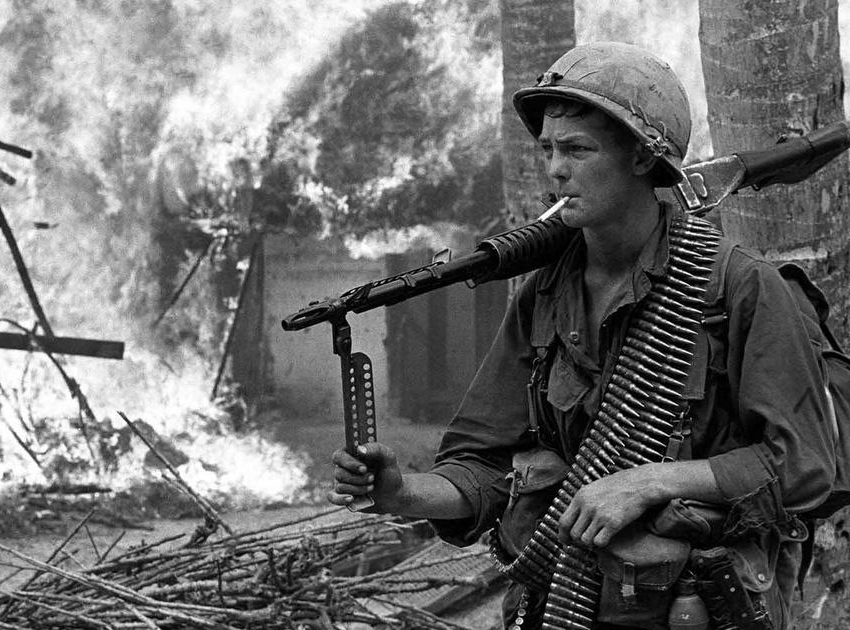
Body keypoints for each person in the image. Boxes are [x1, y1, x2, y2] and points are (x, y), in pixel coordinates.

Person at [328, 41, 836, 629]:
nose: (554, 170)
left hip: (697, 608)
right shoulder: (546, 293)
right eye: (546, 149)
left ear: (644, 159)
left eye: (577, 150)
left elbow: (803, 466)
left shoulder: (737, 286)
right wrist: (403, 493)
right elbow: (484, 462)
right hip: (565, 600)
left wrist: (649, 481)